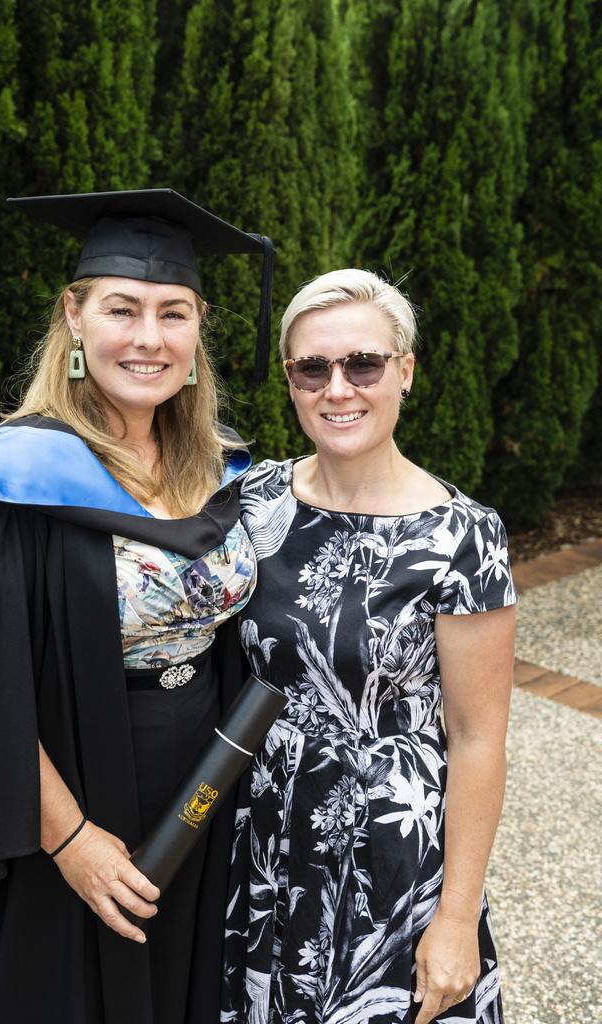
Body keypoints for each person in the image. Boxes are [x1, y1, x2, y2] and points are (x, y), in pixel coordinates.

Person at [0, 189, 276, 1024]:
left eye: (173, 313)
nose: (148, 338)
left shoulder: (214, 465)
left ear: (199, 331)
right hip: (54, 800)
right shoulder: (6, 480)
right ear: (74, 318)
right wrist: (70, 840)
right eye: (122, 309)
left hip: (198, 792)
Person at [222, 269, 516, 1024]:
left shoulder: (463, 537)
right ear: (289, 380)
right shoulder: (253, 501)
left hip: (393, 856)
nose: (338, 388)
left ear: (405, 370)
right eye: (312, 368)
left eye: (364, 363)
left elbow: (479, 739)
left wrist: (454, 920)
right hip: (264, 839)